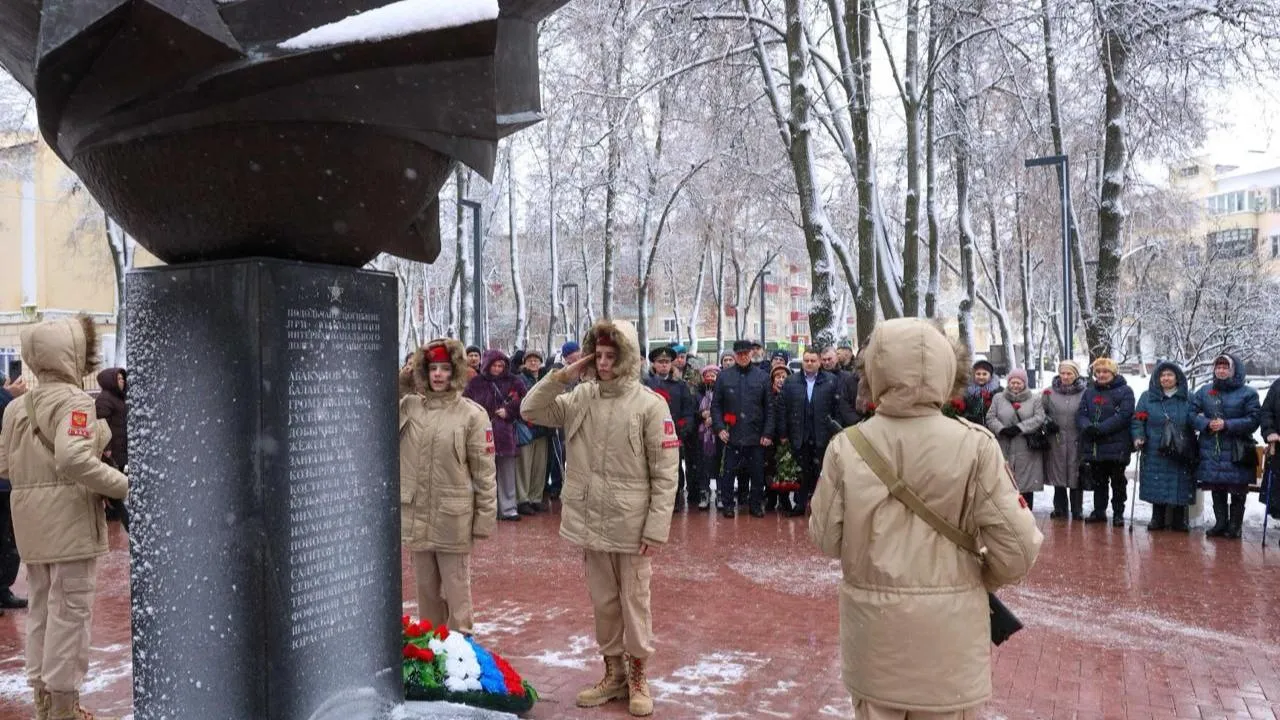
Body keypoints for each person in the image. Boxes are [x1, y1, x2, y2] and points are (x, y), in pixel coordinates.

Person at [809, 318, 1042, 720]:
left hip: (875, 637)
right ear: (946, 369)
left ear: (875, 370)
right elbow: (1018, 549)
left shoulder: (847, 447)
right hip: (950, 646)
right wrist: (976, 578)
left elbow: (826, 538)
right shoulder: (976, 445)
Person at [520, 319, 679, 718]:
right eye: (599, 355)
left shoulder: (649, 404)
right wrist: (564, 375)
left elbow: (665, 472)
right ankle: (614, 674)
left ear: (626, 358)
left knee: (634, 602)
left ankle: (638, 675)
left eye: (612, 356)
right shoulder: (579, 398)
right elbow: (531, 409)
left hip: (632, 524)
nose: (604, 363)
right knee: (604, 603)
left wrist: (657, 527)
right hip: (590, 521)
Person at [0, 317, 129, 720]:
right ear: (71, 355)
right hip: (68, 523)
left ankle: (42, 697)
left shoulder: (18, 406)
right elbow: (73, 458)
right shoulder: (75, 402)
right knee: (70, 614)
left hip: (30, 524)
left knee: (41, 608)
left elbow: (4, 466)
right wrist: (120, 483)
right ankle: (63, 707)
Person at [398, 339, 497, 635]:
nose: (438, 375)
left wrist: (484, 519)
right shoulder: (410, 407)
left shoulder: (472, 415)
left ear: (455, 372)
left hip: (453, 518)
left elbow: (484, 472)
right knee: (426, 593)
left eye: (444, 368)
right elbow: (374, 405)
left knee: (457, 592)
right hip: (417, 515)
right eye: (431, 369)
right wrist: (404, 378)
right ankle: (432, 650)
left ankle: (462, 653)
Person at [1192, 354, 1261, 539]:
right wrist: (1205, 423)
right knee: (1217, 488)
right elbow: (1190, 413)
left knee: (1237, 490)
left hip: (1237, 450)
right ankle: (1220, 523)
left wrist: (1227, 425)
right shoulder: (1205, 391)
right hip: (1212, 449)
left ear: (1234, 370)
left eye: (1225, 367)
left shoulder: (1248, 393)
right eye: (1218, 367)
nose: (1221, 371)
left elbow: (1254, 420)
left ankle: (1235, 526)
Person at [711, 340, 774, 518]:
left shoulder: (762, 377)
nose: (743, 357)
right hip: (731, 434)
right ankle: (729, 505)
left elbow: (769, 408)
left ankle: (755, 505)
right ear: (735, 355)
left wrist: (767, 432)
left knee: (757, 473)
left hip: (756, 435)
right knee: (728, 473)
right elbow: (716, 406)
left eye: (746, 354)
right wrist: (719, 428)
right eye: (740, 354)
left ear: (751, 354)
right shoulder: (724, 376)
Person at [1132, 362, 1197, 532]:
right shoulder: (1147, 397)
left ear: (1177, 378)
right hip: (1155, 447)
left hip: (1181, 447)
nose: (1166, 378)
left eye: (1169, 375)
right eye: (1162, 375)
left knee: (1180, 482)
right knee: (1157, 482)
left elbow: (1196, 418)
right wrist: (1139, 436)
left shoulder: (1188, 397)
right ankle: (1157, 518)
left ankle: (1179, 519)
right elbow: (1138, 419)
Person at [777, 349, 843, 517]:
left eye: (813, 360)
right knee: (803, 472)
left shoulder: (831, 381)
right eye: (806, 360)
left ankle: (820, 507)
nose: (809, 363)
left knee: (822, 472)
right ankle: (800, 505)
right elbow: (783, 408)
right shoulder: (791, 382)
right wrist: (783, 433)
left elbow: (837, 409)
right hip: (800, 434)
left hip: (823, 435)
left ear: (819, 362)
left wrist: (836, 431)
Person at [463, 350, 525, 522]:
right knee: (483, 474)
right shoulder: (476, 383)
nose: (497, 369)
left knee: (507, 473)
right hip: (482, 433)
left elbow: (526, 402)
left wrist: (510, 411)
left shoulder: (514, 381)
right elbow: (466, 404)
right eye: (494, 365)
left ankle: (508, 508)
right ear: (488, 365)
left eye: (501, 366)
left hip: (505, 434)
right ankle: (486, 510)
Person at [1077, 358, 1135, 527]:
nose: (1101, 375)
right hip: (1095, 445)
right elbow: (1081, 413)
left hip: (1116, 445)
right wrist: (1087, 426)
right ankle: (1099, 510)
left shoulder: (1125, 391)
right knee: (1099, 481)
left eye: (1105, 372)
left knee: (1118, 482)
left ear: (1113, 373)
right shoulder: (1089, 392)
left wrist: (1101, 428)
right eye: (1098, 372)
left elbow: (1124, 415)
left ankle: (1118, 513)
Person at [986, 368, 1047, 509]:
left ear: (1024, 383)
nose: (1015, 385)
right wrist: (1002, 429)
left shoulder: (1034, 399)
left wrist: (1020, 427)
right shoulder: (998, 398)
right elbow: (990, 417)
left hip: (1026, 447)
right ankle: (1008, 513)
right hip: (1004, 445)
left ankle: (1026, 511)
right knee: (1005, 480)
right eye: (1012, 382)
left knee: (1026, 483)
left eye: (1019, 382)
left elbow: (1039, 417)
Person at [644, 347, 695, 512]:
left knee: (674, 468)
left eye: (667, 362)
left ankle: (675, 497)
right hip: (651, 434)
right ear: (654, 364)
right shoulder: (645, 384)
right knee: (651, 467)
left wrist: (683, 427)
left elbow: (688, 410)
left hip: (674, 434)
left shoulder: (680, 385)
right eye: (660, 362)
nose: (664, 365)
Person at [0, 373, 29, 615]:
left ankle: (2, 590)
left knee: (9, 540)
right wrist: (8, 396)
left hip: (7, 482)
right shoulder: (6, 399)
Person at [1043, 360, 1086, 520]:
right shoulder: (1048, 392)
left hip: (1077, 439)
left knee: (1076, 474)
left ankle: (1077, 509)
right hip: (1057, 440)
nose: (1065, 377)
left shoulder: (1085, 392)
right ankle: (1059, 508)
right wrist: (1048, 423)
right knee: (1058, 473)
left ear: (1076, 375)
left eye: (1069, 373)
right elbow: (1040, 412)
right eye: (1063, 373)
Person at [546, 341, 584, 502]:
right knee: (559, 453)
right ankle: (556, 485)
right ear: (568, 356)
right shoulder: (557, 370)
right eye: (575, 354)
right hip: (562, 415)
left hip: (578, 415)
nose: (578, 356)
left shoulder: (583, 369)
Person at [514, 350, 551, 515]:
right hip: (527, 427)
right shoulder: (519, 379)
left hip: (543, 427)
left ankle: (535, 498)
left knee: (539, 466)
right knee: (524, 465)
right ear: (525, 362)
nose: (533, 363)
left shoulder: (545, 378)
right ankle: (522, 499)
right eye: (530, 360)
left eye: (536, 360)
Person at [94, 368, 129, 529]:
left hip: (120, 447)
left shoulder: (119, 398)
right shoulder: (105, 399)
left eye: (123, 378)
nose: (122, 381)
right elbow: (101, 424)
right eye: (119, 378)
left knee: (118, 477)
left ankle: (115, 513)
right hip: (112, 449)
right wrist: (106, 447)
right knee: (113, 480)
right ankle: (114, 514)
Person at [763, 365, 792, 513]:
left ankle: (784, 498)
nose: (780, 380)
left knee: (785, 468)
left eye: (783, 377)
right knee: (769, 469)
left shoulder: (791, 394)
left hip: (786, 438)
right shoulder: (768, 395)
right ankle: (771, 497)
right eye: (777, 377)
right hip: (770, 439)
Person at [694, 365, 722, 512]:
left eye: (713, 375)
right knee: (703, 464)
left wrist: (714, 419)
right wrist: (701, 415)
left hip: (718, 434)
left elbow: (726, 408)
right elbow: (692, 410)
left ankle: (720, 493)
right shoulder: (697, 393)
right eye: (707, 375)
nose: (710, 378)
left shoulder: (722, 392)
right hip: (702, 434)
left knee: (719, 464)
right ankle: (704, 492)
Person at [962, 359, 1001, 426]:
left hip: (993, 428)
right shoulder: (967, 392)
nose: (981, 377)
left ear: (990, 376)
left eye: (984, 374)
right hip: (973, 428)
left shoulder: (998, 391)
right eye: (978, 374)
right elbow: (963, 411)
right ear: (974, 375)